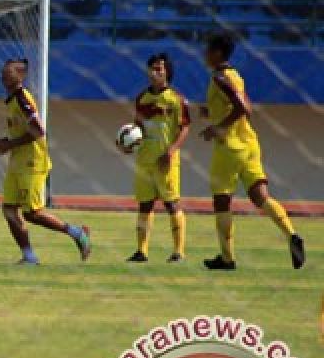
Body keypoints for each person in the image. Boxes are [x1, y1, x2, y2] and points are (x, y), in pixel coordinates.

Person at [199, 33, 305, 270]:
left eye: (207, 49)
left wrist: (218, 127)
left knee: (222, 201)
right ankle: (292, 235)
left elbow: (243, 107)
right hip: (249, 143)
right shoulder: (235, 75)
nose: (204, 53)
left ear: (217, 53)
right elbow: (237, 103)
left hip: (229, 147)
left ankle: (227, 258)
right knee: (260, 196)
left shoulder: (219, 78)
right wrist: (212, 113)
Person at [0, 59, 91, 265]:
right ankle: (29, 256)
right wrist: (6, 143)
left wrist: (9, 144)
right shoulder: (11, 100)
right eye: (2, 72)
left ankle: (77, 233)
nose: (3, 77)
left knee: (33, 213)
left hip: (32, 162)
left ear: (20, 76)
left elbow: (38, 130)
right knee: (9, 209)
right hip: (18, 161)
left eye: (8, 73)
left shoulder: (22, 98)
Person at [123, 53, 189, 263]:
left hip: (166, 160)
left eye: (159, 68)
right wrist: (128, 143)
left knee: (171, 204)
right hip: (145, 160)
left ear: (167, 72)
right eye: (152, 68)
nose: (155, 72)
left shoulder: (176, 99)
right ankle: (142, 251)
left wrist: (172, 150)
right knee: (145, 205)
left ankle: (179, 252)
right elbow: (138, 127)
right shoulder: (142, 98)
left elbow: (185, 127)